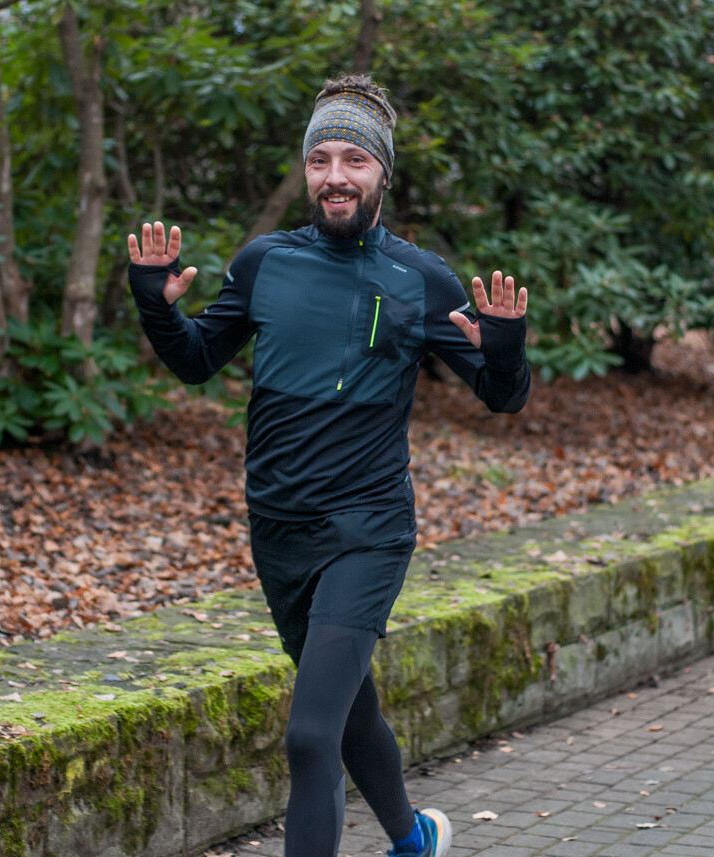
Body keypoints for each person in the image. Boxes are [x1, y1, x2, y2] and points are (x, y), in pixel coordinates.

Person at [127, 73, 530, 857]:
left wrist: (506, 350)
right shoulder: (265, 262)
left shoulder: (422, 279)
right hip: (277, 530)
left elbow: (500, 397)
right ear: (306, 171)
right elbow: (196, 359)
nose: (335, 176)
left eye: (353, 159)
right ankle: (415, 837)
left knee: (310, 735)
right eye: (321, 160)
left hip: (368, 531)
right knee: (347, 713)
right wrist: (155, 304)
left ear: (382, 172)